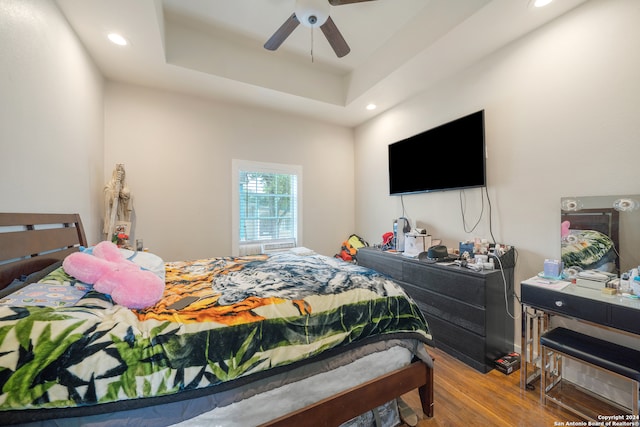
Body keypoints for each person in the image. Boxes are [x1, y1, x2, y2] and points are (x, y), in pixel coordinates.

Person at [103, 164, 133, 239]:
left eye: (123, 173)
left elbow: (128, 197)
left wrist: (124, 195)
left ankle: (121, 242)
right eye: (119, 173)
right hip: (113, 214)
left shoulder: (124, 185)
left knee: (121, 236)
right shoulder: (110, 183)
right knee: (112, 234)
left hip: (121, 214)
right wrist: (113, 193)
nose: (121, 175)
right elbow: (107, 192)